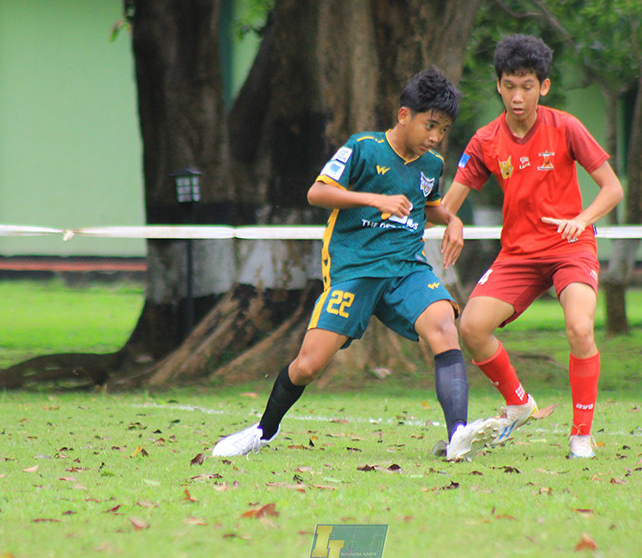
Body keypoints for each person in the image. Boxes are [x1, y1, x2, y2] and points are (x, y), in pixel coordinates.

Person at [213, 66, 499, 461]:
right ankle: (263, 431)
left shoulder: (430, 165)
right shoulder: (363, 148)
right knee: (308, 366)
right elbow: (316, 193)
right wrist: (374, 199)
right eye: (430, 125)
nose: (435, 137)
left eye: (444, 130)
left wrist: (453, 220)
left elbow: (428, 206)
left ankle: (457, 439)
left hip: (405, 268)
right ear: (404, 115)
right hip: (356, 270)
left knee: (444, 327)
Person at [442, 35, 624, 459]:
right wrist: (451, 220)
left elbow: (612, 189)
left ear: (543, 86)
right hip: (518, 256)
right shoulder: (485, 140)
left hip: (570, 248)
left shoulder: (567, 127)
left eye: (527, 86)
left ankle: (581, 434)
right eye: (509, 85)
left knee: (580, 328)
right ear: (498, 86)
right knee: (470, 327)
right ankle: (519, 403)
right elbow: (449, 204)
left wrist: (581, 221)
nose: (517, 96)